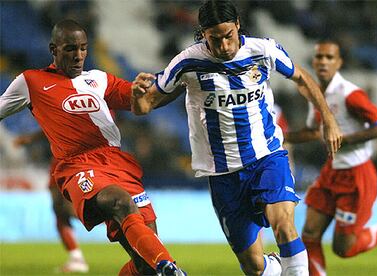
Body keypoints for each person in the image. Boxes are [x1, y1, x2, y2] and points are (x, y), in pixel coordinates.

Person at [130, 1, 343, 275]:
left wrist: (328, 118)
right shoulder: (187, 62)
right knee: (253, 266)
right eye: (214, 39)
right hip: (222, 173)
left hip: (267, 156)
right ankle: (277, 267)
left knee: (284, 224)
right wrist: (137, 97)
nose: (224, 46)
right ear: (203, 34)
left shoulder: (263, 50)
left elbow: (302, 78)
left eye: (228, 36)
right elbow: (145, 107)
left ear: (238, 25)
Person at [0, 19, 186, 276]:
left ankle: (160, 265)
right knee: (120, 202)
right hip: (78, 166)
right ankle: (171, 268)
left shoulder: (99, 79)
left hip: (117, 163)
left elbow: (142, 102)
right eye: (70, 49)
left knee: (144, 261)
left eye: (83, 48)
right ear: (53, 49)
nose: (79, 56)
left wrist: (169, 83)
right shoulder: (31, 81)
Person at [284, 40, 377, 276]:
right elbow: (315, 132)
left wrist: (347, 139)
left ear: (339, 63)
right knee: (310, 233)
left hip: (356, 176)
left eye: (329, 57)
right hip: (332, 171)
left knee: (344, 248)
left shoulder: (350, 95)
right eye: (319, 57)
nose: (323, 61)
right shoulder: (317, 94)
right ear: (313, 61)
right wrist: (282, 137)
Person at [14, 131, 89, 273]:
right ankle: (76, 258)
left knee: (63, 209)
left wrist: (30, 137)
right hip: (79, 158)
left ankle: (77, 258)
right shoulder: (103, 110)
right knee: (62, 211)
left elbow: (53, 122)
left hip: (68, 158)